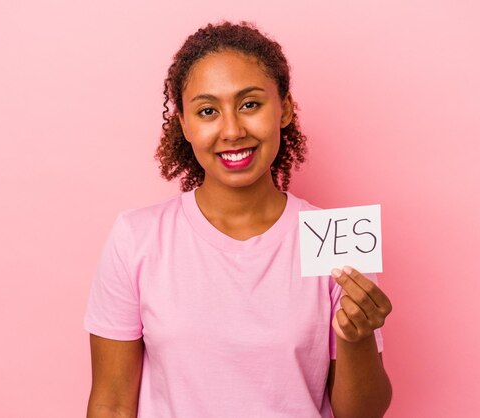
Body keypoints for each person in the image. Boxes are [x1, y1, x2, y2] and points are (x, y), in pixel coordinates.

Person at [84, 21, 392, 418]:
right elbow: (110, 403)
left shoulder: (335, 242)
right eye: (208, 111)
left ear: (285, 110)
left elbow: (362, 414)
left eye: (250, 104)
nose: (231, 130)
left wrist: (358, 337)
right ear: (184, 125)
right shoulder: (136, 238)